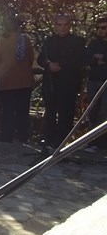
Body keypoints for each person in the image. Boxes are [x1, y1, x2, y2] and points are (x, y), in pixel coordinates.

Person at [38, 15, 86, 148]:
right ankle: (48, 138)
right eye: (59, 25)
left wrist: (61, 67)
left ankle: (62, 142)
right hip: (51, 82)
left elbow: (79, 60)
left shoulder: (78, 41)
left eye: (65, 25)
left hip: (68, 83)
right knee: (50, 112)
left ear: (69, 26)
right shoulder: (49, 41)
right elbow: (41, 59)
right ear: (55, 26)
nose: (62, 28)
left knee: (66, 113)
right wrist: (49, 64)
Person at [0, 15, 35, 144]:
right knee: (23, 110)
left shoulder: (0, 41)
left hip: (6, 81)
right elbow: (31, 59)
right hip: (24, 80)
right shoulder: (25, 40)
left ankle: (7, 134)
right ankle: (22, 135)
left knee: (7, 110)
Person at [85, 15, 107, 133]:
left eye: (103, 28)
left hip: (105, 81)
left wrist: (101, 57)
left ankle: (101, 139)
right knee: (92, 110)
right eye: (98, 28)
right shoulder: (93, 43)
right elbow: (86, 58)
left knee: (104, 111)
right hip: (94, 80)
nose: (100, 30)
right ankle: (92, 138)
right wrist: (96, 60)